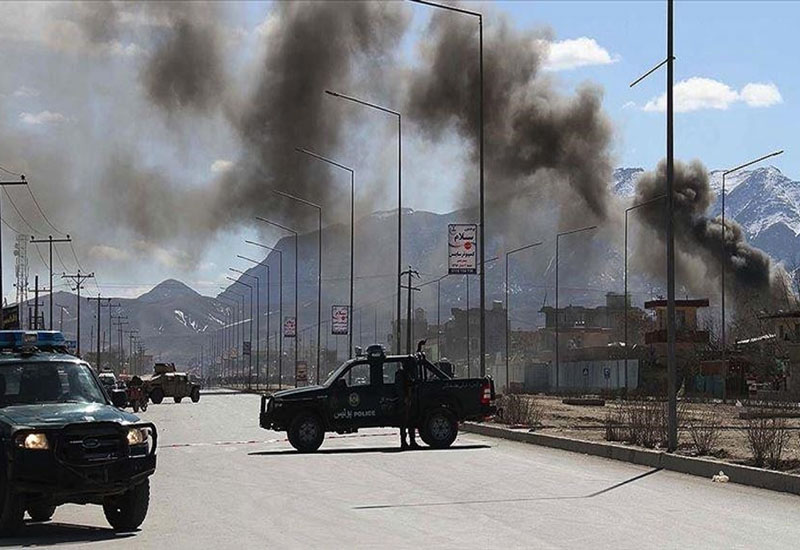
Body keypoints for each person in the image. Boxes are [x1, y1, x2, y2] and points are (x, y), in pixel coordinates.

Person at [395, 362, 419, 450]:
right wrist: (404, 399)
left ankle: (412, 441)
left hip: (410, 401)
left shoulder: (408, 375)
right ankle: (403, 442)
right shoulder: (401, 374)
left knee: (411, 422)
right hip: (403, 402)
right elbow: (400, 389)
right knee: (404, 423)